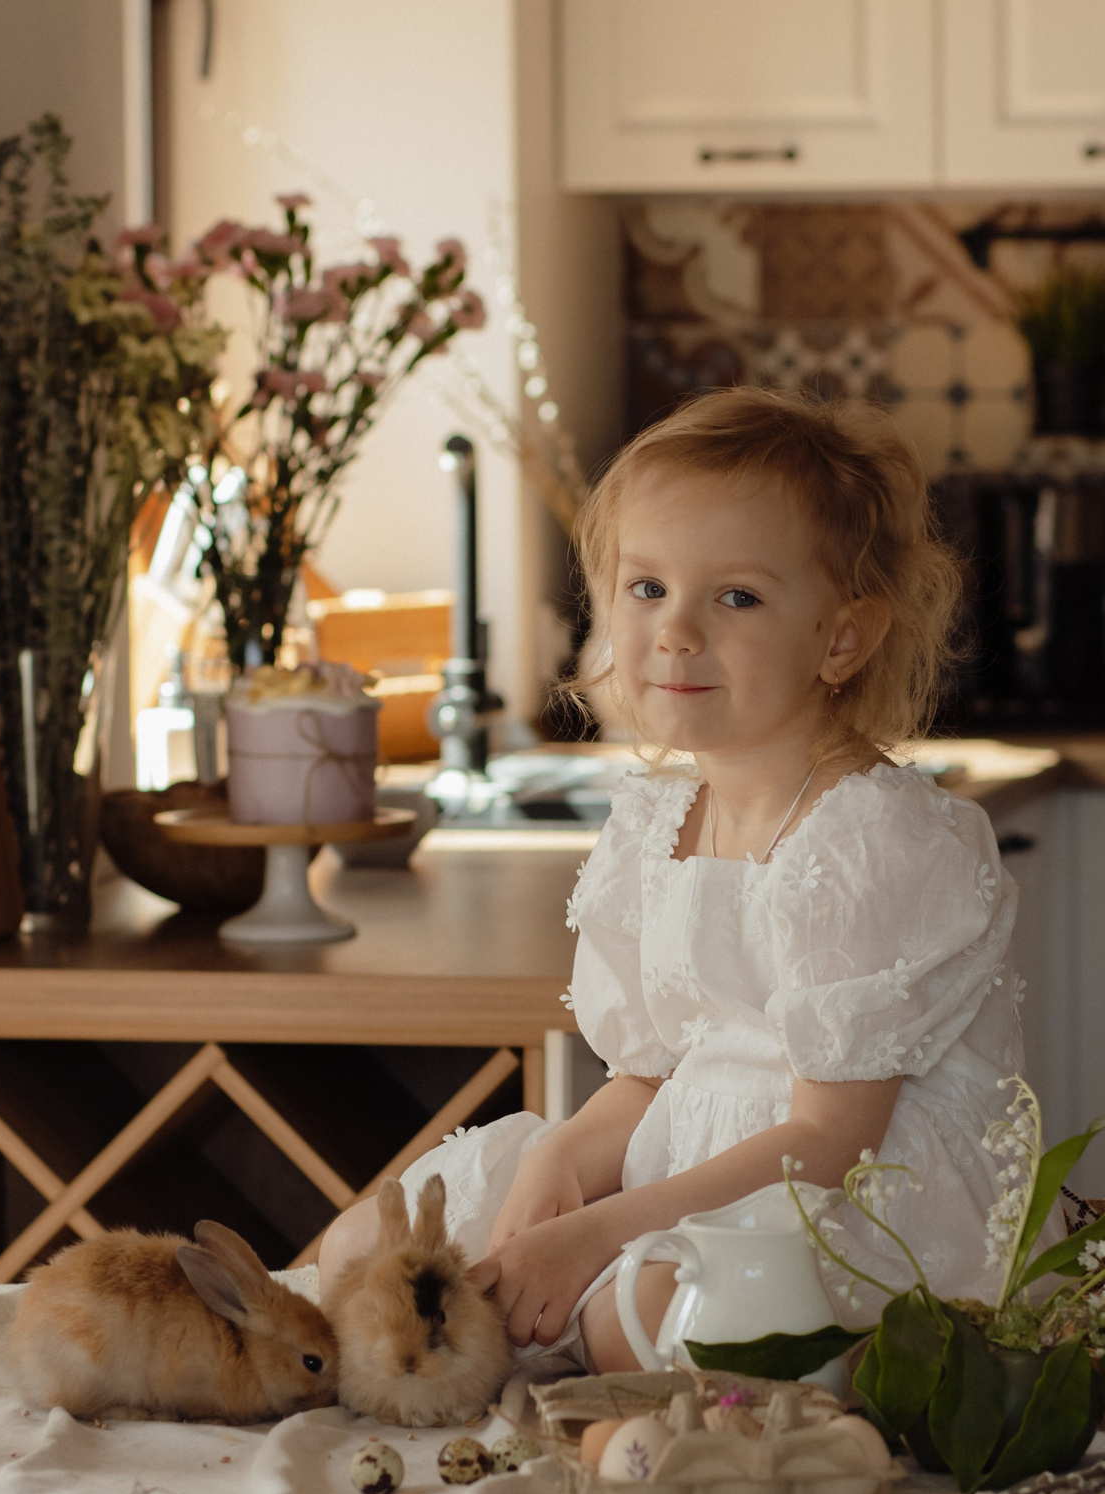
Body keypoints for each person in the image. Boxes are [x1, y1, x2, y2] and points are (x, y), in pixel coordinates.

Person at [316, 387, 1038, 1369]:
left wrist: (595, 1237)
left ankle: (571, 1332)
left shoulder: (869, 835)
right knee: (364, 1248)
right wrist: (563, 1164)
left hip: (846, 1192)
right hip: (685, 1161)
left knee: (660, 1315)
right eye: (646, 588)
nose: (676, 632)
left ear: (841, 638)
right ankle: (542, 1327)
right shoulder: (656, 820)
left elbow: (828, 1140)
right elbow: (649, 1078)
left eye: (734, 597)